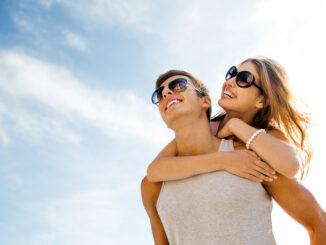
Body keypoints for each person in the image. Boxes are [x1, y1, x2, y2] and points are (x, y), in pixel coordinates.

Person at [141, 58, 326, 244]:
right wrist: (224, 160)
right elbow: (153, 171)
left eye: (244, 78)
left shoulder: (258, 153)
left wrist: (236, 126)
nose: (229, 81)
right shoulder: (209, 134)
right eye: (231, 73)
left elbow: (291, 167)